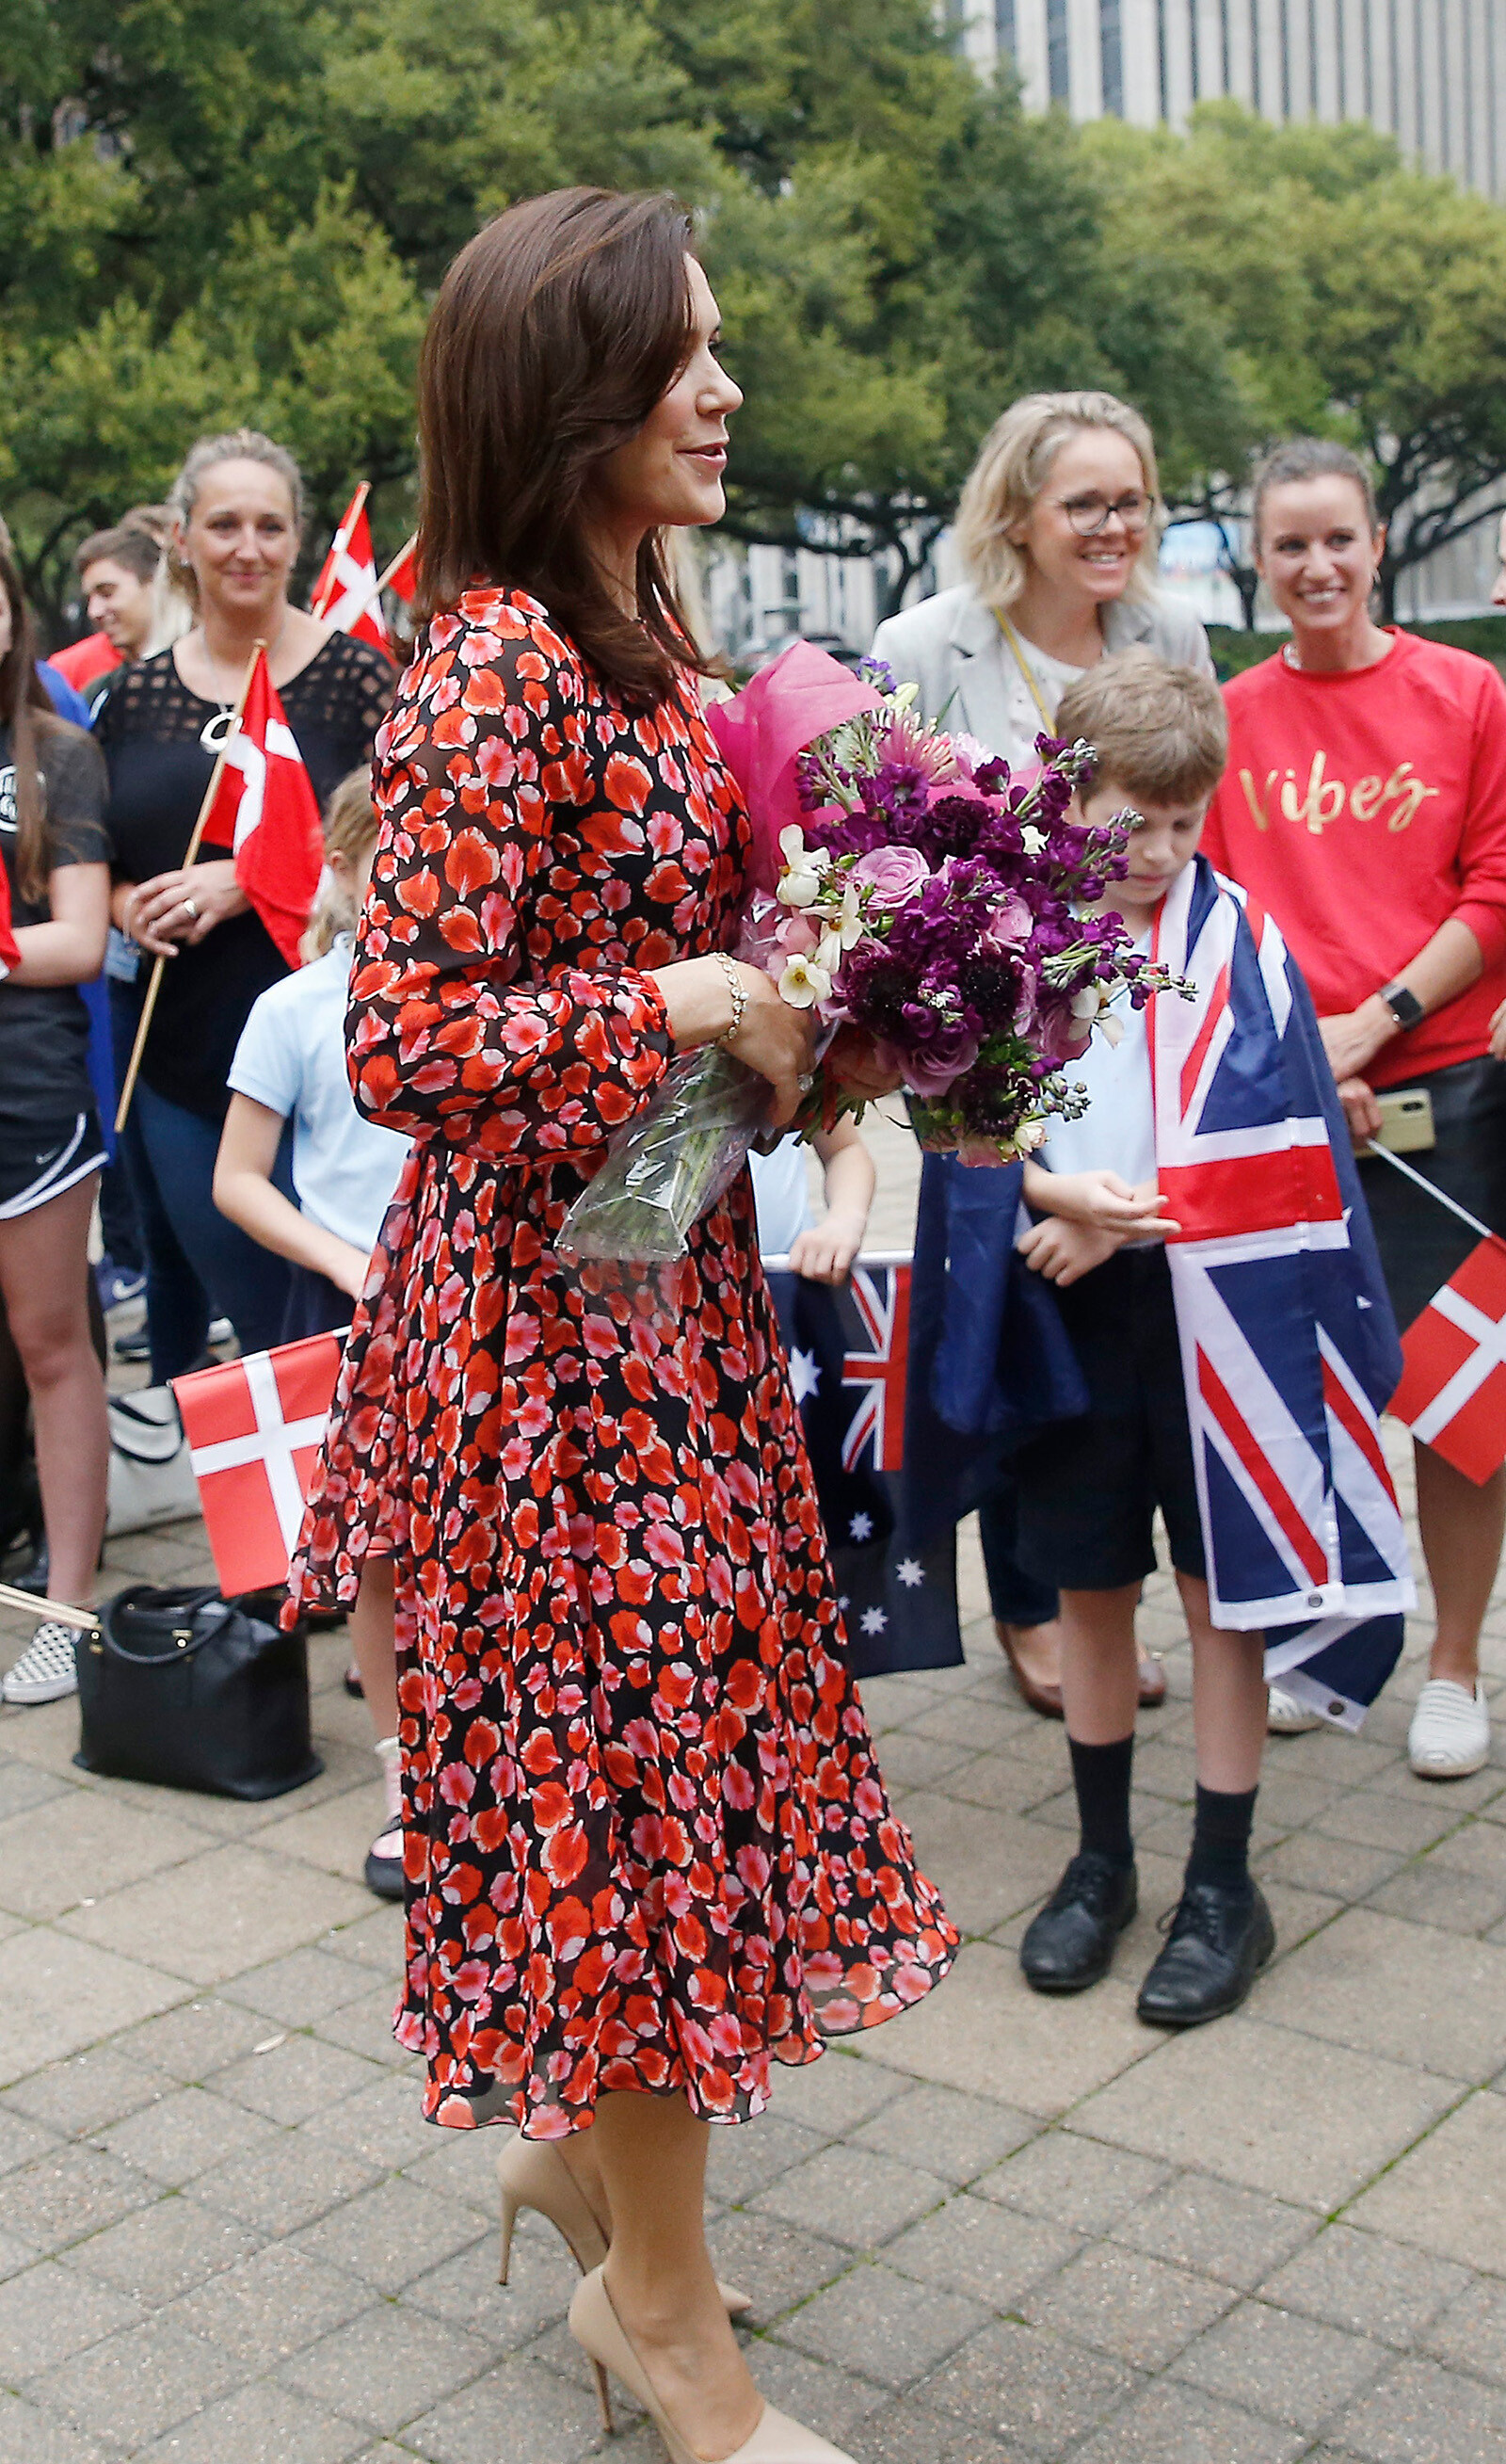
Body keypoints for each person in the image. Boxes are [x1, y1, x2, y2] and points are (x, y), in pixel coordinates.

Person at [284, 186, 954, 2464]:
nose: (727, 389)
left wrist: (823, 1039)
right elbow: (405, 1038)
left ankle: (590, 2192)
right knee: (643, 1819)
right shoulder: (491, 660)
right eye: (686, 354)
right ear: (571, 386)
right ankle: (662, 2323)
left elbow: (670, 997)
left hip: (657, 1302)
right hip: (540, 1357)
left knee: (657, 1794)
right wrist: (675, 1001)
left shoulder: (648, 641)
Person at [1010, 650, 1396, 2024]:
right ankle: (1100, 1859)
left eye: (1184, 823)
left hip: (1224, 1315)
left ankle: (1224, 1881)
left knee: (1223, 1587)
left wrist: (1127, 1219)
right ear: (1066, 796)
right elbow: (963, 1128)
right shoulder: (1008, 939)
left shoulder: (1244, 947)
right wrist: (1051, 1197)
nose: (1162, 852)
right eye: (1134, 823)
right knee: (1089, 1584)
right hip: (1072, 1306)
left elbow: (1286, 1158)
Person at [873, 390, 1209, 1719]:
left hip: (1124, 1018)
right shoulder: (922, 647)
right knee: (1003, 1306)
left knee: (1103, 1316)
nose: (1115, 525)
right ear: (1018, 514)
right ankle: (1025, 1604)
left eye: (1132, 500)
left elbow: (1191, 823)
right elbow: (877, 847)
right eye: (1086, 503)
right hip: (974, 1039)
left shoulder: (1171, 634)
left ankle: (1092, 1588)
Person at [1202, 439, 1506, 1780]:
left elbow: (1495, 888)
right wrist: (1308, 1067)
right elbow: (1210, 918)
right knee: (1298, 1384)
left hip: (1442, 1092)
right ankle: (1321, 1638)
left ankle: (1454, 1663)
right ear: (1258, 562)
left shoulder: (1469, 693)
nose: (1317, 565)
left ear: (1378, 544)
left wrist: (1373, 1028)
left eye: (1339, 538)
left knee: (1460, 1399)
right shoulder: (1229, 718)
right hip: (1285, 1100)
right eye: (1291, 544)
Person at [95, 429, 393, 1382]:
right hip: (184, 1068)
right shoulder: (126, 699)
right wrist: (125, 906)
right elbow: (91, 862)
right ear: (181, 537)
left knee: (366, 1343)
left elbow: (412, 853)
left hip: (346, 1069)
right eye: (224, 525)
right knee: (273, 1352)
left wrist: (249, 878)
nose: (248, 547)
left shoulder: (364, 683)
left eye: (271, 525)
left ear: (299, 539)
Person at [213, 768, 409, 1897]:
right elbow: (239, 1177)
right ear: (339, 869)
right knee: (378, 1558)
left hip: (480, 1311)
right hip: (354, 1316)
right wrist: (341, 1258)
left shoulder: (498, 1000)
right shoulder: (292, 1010)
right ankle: (404, 1783)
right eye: (394, 858)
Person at [0, 539, 113, 1707]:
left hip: (27, 1090)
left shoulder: (56, 753)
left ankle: (66, 1607)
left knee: (49, 1344)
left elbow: (79, 939)